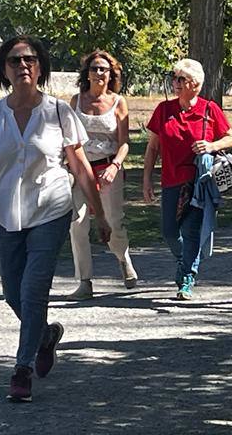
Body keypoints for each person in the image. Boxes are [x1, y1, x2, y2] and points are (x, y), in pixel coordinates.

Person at [0, 35, 111, 402]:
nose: (23, 66)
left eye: (31, 60)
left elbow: (81, 168)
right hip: (6, 214)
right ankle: (45, 336)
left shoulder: (58, 112)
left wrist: (99, 214)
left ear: (41, 68)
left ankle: (21, 370)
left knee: (33, 291)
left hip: (50, 211)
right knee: (12, 293)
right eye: (15, 61)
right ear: (3, 70)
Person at [143, 59, 232, 300]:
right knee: (169, 231)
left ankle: (187, 275)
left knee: (191, 229)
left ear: (194, 84)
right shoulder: (164, 110)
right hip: (171, 180)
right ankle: (184, 259)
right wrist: (146, 180)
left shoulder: (209, 109)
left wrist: (211, 145)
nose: (174, 83)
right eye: (174, 78)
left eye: (180, 79)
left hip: (199, 182)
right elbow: (152, 148)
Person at [65, 50, 136, 300]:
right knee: (77, 223)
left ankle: (122, 257)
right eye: (94, 68)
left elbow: (124, 142)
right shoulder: (76, 101)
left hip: (109, 168)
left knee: (113, 221)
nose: (98, 73)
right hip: (80, 170)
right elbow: (68, 137)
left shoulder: (119, 102)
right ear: (87, 73)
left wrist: (115, 165)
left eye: (103, 69)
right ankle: (85, 281)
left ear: (111, 74)